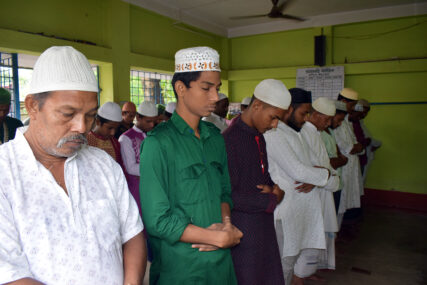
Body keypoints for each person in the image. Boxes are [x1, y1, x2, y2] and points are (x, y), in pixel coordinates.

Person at [0, 46, 146, 285]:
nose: (81, 127)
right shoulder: (4, 173)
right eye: (68, 114)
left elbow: (132, 233)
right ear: (33, 106)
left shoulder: (102, 164)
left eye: (90, 115)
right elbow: (8, 274)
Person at [140, 46, 242, 285]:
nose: (215, 97)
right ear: (180, 88)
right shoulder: (159, 144)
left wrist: (226, 226)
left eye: (217, 88)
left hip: (220, 264)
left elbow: (224, 192)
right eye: (206, 88)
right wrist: (215, 238)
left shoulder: (215, 137)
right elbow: (158, 220)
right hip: (181, 268)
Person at [264, 88, 335, 285]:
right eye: (303, 113)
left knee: (291, 260)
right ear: (289, 109)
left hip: (300, 210)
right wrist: (326, 174)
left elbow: (311, 168)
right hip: (285, 212)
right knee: (282, 263)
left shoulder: (298, 134)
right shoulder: (275, 134)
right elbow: (298, 171)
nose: (306, 119)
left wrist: (318, 176)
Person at [223, 79, 289, 285]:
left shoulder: (258, 137)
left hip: (263, 227)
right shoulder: (230, 140)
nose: (275, 125)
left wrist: (276, 191)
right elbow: (228, 196)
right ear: (257, 106)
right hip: (243, 231)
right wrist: (271, 199)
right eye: (273, 118)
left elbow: (264, 178)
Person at [300, 97, 340, 272]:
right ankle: (300, 275)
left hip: (322, 191)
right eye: (326, 119)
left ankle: (310, 271)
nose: (329, 123)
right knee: (308, 236)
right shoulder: (304, 133)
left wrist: (328, 176)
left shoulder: (318, 134)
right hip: (311, 195)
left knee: (319, 234)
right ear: (315, 115)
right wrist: (326, 177)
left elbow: (324, 168)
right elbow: (312, 170)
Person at [119, 100, 158, 215]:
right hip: (136, 188)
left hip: (155, 187)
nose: (152, 125)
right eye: (148, 121)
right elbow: (131, 168)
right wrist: (156, 168)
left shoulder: (155, 135)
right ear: (138, 117)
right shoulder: (125, 138)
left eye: (154, 122)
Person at [333, 88, 365, 226]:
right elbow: (350, 148)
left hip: (349, 169)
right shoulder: (336, 119)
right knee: (338, 207)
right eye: (352, 105)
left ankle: (336, 235)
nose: (353, 109)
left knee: (343, 206)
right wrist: (357, 147)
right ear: (344, 101)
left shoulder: (346, 120)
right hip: (342, 169)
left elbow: (357, 146)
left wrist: (358, 147)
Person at [320, 101, 349, 217]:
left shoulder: (330, 131)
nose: (340, 123)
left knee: (334, 217)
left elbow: (338, 155)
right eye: (339, 119)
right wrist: (342, 160)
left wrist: (340, 159)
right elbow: (330, 162)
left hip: (336, 183)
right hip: (327, 185)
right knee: (327, 218)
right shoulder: (321, 134)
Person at [87, 101, 123, 166]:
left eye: (116, 128)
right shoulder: (86, 142)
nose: (113, 133)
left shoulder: (115, 143)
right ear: (98, 122)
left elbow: (119, 166)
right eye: (110, 128)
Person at [358, 99, 382, 181]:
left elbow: (367, 139)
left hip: (363, 158)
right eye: (363, 111)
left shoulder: (360, 122)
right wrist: (368, 142)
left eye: (366, 112)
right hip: (357, 159)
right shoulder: (352, 122)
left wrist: (372, 143)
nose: (365, 114)